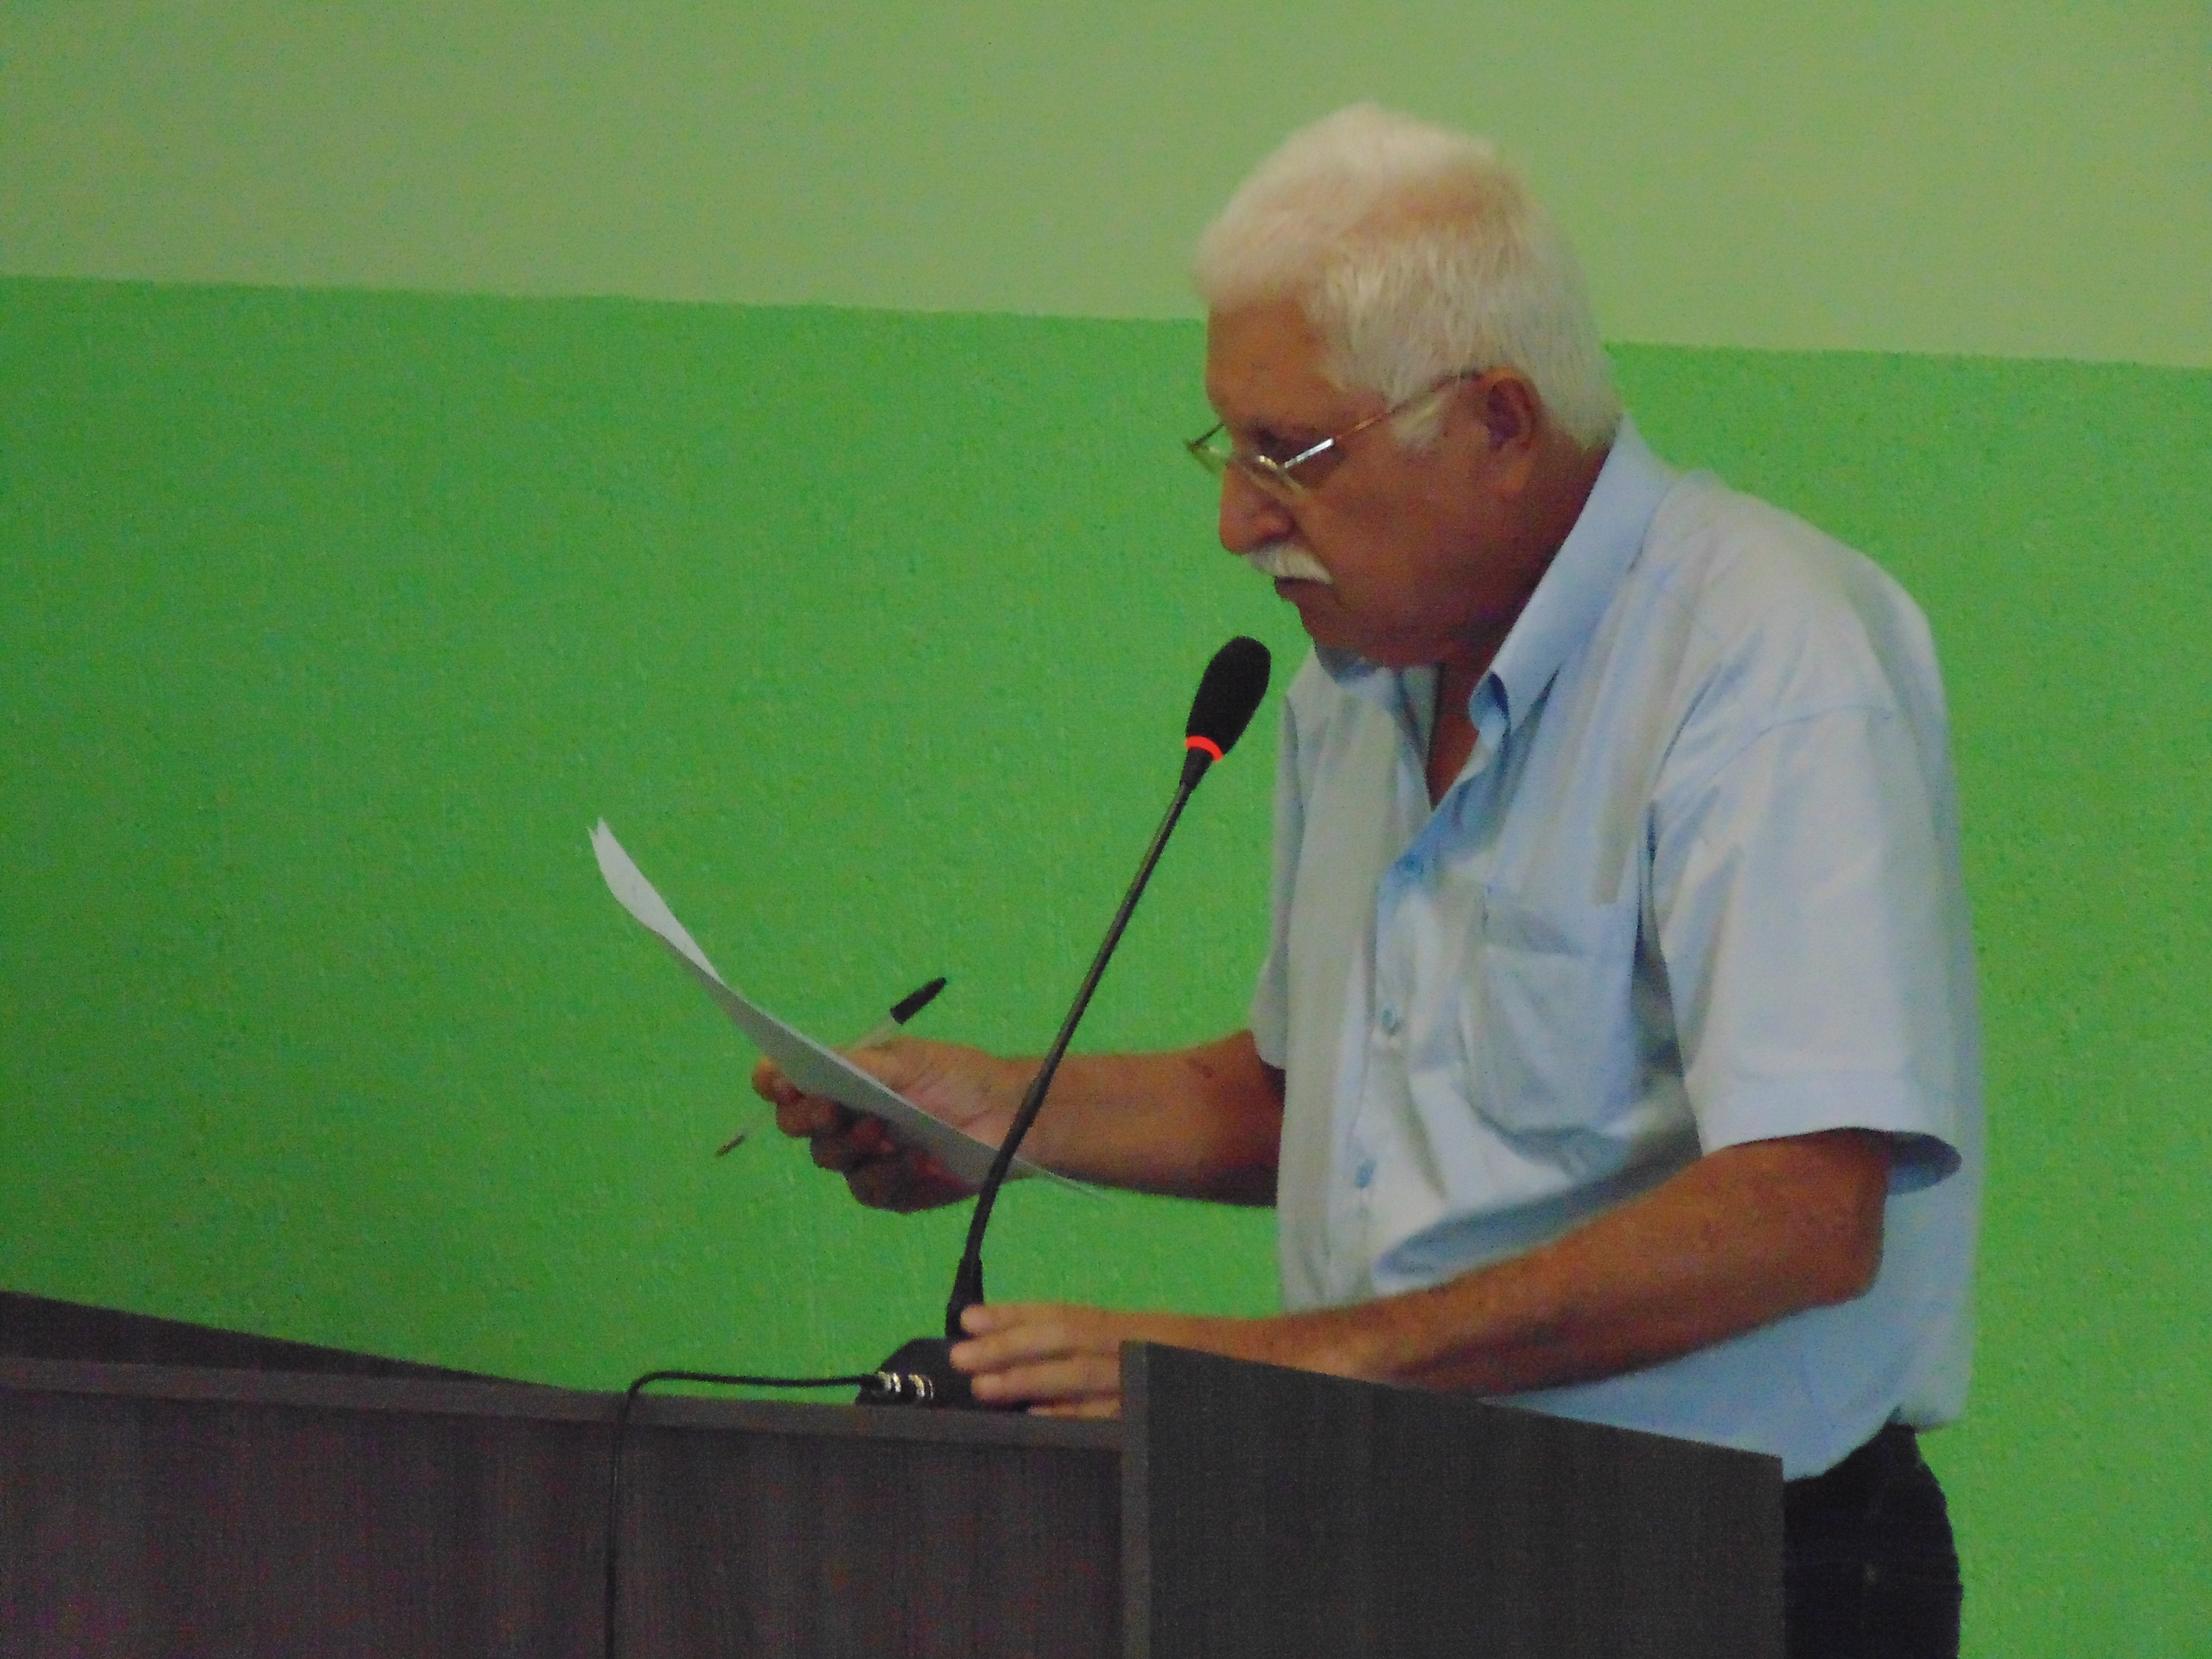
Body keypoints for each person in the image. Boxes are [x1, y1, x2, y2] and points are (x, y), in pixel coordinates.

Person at [754, 105, 1981, 1657]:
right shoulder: (1356, 682)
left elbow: (1802, 1211)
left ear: (1501, 424)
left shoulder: (1769, 660)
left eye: (1292, 456)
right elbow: (1322, 1102)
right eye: (1230, 445)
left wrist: (1284, 1369)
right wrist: (997, 1114)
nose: (1237, 520)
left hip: (1722, 1569)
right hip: (1390, 1533)